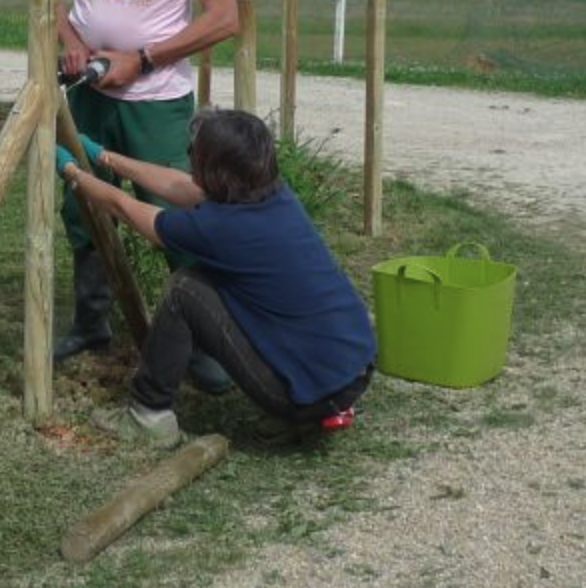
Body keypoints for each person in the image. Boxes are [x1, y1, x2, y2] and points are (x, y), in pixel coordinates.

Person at [38, 0, 239, 369]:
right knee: (83, 204)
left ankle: (205, 343)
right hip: (89, 97)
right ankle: (91, 323)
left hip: (155, 103)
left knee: (175, 215)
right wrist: (72, 40)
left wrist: (143, 59)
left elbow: (223, 18)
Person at [56, 109, 375, 448]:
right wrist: (104, 156)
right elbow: (179, 185)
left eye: (194, 154)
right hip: (357, 370)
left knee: (185, 288)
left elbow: (123, 207)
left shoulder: (218, 228)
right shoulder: (275, 195)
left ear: (214, 170)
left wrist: (71, 171)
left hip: (313, 396)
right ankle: (309, 402)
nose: (190, 161)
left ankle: (148, 415)